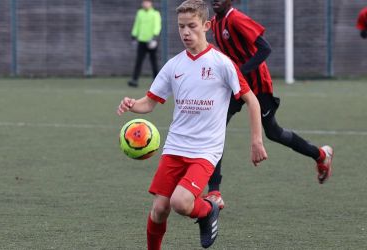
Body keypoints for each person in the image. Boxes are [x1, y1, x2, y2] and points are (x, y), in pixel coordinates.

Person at [117, 1, 268, 248]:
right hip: (175, 147)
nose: (186, 32)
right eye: (181, 27)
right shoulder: (174, 65)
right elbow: (149, 103)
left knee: (180, 203)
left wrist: (256, 140)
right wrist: (132, 104)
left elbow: (252, 101)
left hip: (205, 151)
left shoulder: (222, 63)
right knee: (159, 209)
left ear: (206, 26)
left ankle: (208, 210)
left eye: (192, 26)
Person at [205, 0, 334, 209]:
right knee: (215, 129)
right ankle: (214, 192)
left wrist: (241, 72)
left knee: (273, 132)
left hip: (258, 84)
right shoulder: (215, 22)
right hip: (236, 85)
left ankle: (320, 155)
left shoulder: (236, 18)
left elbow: (265, 49)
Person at [128, 0, 162, 87]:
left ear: (151, 3)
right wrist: (134, 35)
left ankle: (156, 81)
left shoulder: (155, 13)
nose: (145, 4)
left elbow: (157, 26)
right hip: (141, 41)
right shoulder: (140, 13)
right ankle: (134, 80)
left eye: (147, 2)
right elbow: (137, 25)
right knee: (138, 61)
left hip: (151, 41)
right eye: (144, 2)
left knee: (153, 62)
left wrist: (154, 37)